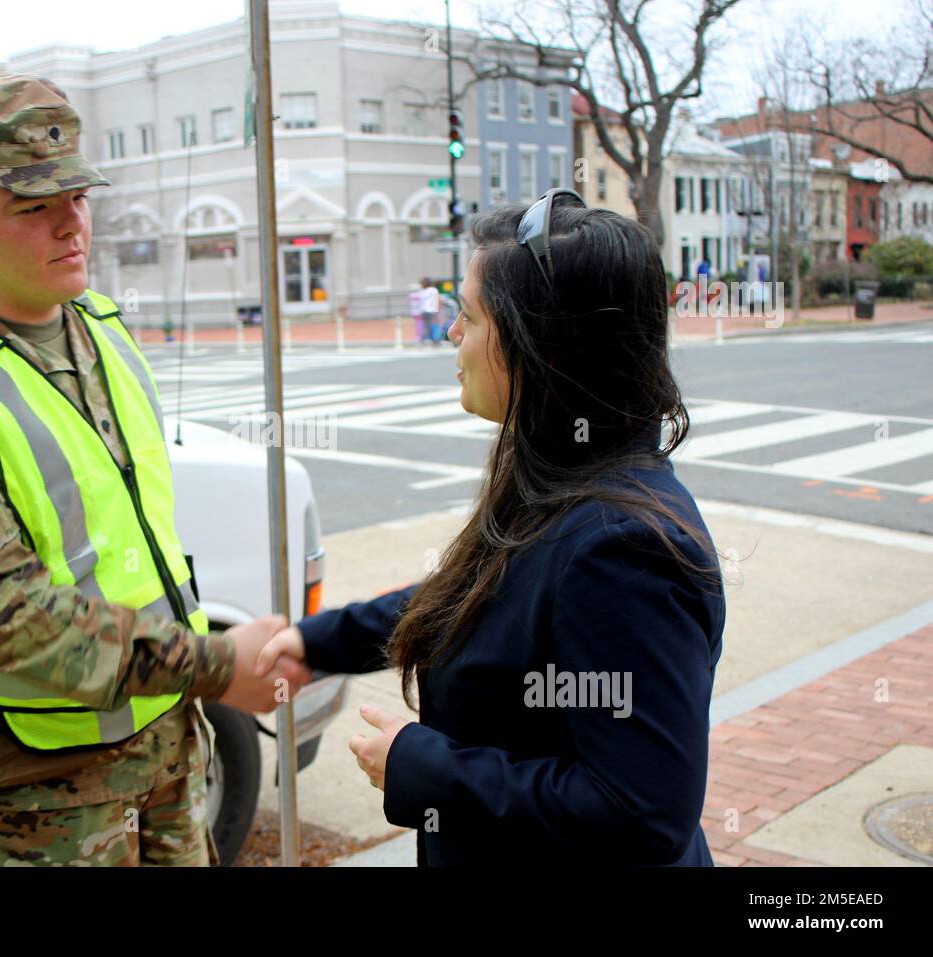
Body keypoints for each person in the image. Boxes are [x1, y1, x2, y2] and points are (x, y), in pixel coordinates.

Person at [0, 71, 307, 867]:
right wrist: (218, 663)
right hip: (40, 797)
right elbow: (4, 616)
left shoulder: (98, 326)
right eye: (33, 208)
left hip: (166, 753)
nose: (72, 225)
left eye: (79, 197)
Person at [257, 189, 726, 866]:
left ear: (542, 346)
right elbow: (478, 596)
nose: (452, 333)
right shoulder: (566, 475)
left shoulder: (620, 550)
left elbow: (641, 810)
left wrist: (418, 766)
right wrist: (317, 639)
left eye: (470, 316)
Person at [419, 278, 441, 345]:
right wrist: (437, 309)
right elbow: (437, 300)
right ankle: (435, 339)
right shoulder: (434, 290)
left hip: (424, 310)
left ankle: (425, 339)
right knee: (434, 325)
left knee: (426, 326)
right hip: (432, 310)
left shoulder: (422, 291)